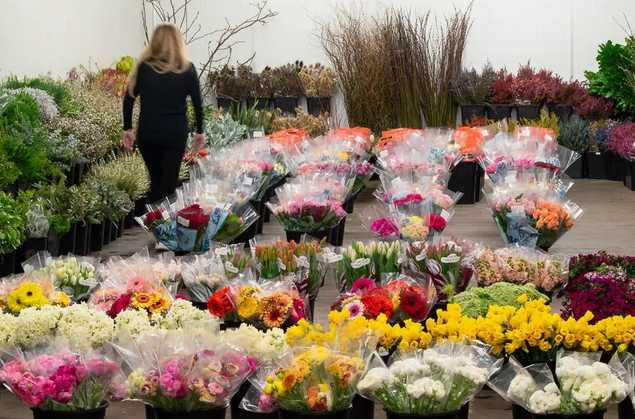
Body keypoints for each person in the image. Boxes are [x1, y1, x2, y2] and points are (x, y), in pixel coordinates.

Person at [122, 23, 205, 204]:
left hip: (148, 133)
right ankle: (162, 217)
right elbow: (198, 104)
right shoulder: (187, 69)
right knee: (168, 184)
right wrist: (200, 131)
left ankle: (154, 214)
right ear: (177, 42)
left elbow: (128, 98)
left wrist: (127, 128)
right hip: (174, 134)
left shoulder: (143, 68)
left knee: (156, 181)